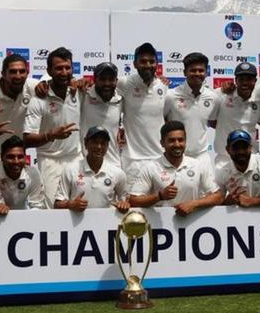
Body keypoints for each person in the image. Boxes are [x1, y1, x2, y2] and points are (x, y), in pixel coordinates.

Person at [24, 47, 82, 206]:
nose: (64, 72)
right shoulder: (38, 99)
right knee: (53, 211)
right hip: (50, 161)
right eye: (58, 68)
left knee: (81, 206)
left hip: (76, 158)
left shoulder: (78, 92)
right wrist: (51, 135)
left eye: (67, 67)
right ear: (49, 70)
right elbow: (27, 139)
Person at [128, 121, 222, 217]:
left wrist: (193, 204)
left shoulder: (197, 165)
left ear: (185, 141)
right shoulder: (151, 167)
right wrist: (159, 196)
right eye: (171, 140)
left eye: (180, 140)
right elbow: (134, 200)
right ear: (162, 143)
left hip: (193, 225)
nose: (177, 144)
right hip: (163, 228)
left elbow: (218, 197)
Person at [117, 43, 169, 174]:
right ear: (135, 64)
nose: (147, 65)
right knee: (132, 196)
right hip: (133, 160)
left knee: (162, 195)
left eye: (151, 61)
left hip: (159, 157)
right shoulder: (124, 83)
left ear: (157, 64)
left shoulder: (163, 86)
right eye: (143, 61)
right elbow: (101, 88)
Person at [55, 126, 129, 213]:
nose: (99, 147)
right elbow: (57, 204)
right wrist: (70, 205)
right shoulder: (70, 170)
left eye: (103, 143)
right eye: (94, 142)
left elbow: (125, 201)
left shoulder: (117, 173)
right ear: (85, 143)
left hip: (105, 225)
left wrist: (124, 204)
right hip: (76, 225)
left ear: (107, 146)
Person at [212, 62, 260, 170]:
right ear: (235, 80)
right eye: (241, 79)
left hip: (250, 159)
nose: (245, 83)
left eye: (249, 79)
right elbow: (210, 121)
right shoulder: (221, 95)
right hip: (224, 159)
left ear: (255, 81)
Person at [80, 62, 123, 168]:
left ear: (116, 81)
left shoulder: (121, 100)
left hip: (114, 165)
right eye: (102, 79)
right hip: (86, 165)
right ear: (94, 80)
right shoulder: (83, 95)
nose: (107, 83)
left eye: (111, 79)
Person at [0, 135, 46, 209]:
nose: (16, 161)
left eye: (20, 157)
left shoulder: (32, 173)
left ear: (25, 157)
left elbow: (37, 205)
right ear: (2, 157)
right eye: (10, 157)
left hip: (22, 217)